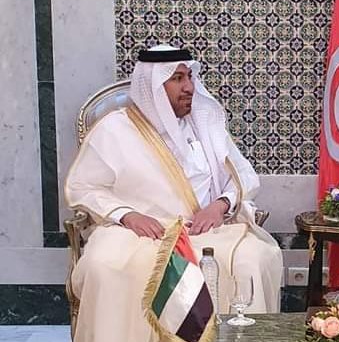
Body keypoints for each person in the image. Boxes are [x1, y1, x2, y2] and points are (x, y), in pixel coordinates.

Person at [65, 45, 283, 342]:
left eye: (190, 77)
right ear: (153, 85)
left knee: (253, 258)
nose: (189, 87)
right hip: (138, 233)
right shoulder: (114, 130)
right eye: (178, 78)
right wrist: (127, 215)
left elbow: (242, 176)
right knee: (104, 265)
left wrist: (220, 205)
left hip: (205, 230)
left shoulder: (205, 124)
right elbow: (84, 186)